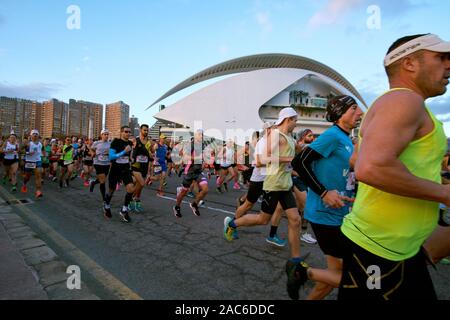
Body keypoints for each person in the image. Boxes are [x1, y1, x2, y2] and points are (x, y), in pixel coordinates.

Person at [338, 33, 450, 300]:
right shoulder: (404, 101)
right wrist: (444, 194)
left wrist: (440, 182)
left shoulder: (395, 103)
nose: (449, 65)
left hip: (394, 247)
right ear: (410, 63)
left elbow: (358, 160)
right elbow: (371, 168)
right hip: (381, 249)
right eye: (441, 57)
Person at [223, 107, 308, 300]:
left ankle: (295, 261)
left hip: (285, 185)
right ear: (288, 119)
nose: (297, 123)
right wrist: (288, 159)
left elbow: (296, 154)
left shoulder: (290, 138)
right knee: (263, 219)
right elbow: (261, 159)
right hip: (272, 184)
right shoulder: (276, 135)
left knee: (294, 219)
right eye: (295, 120)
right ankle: (232, 223)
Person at [291, 95, 363, 300]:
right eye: (353, 109)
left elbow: (344, 173)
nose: (359, 113)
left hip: (341, 214)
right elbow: (300, 162)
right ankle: (300, 272)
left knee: (334, 275)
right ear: (340, 114)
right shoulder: (332, 135)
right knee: (353, 276)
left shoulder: (346, 139)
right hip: (325, 215)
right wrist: (323, 192)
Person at [172, 130, 209, 218]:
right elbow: (185, 156)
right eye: (199, 135)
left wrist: (204, 162)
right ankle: (177, 206)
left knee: (205, 189)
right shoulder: (190, 145)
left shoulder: (201, 145)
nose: (201, 136)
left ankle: (194, 204)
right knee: (184, 192)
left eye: (202, 135)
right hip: (189, 171)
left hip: (198, 171)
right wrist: (197, 158)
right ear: (195, 136)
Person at [104, 126, 135, 222]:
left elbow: (129, 156)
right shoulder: (115, 142)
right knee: (111, 190)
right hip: (115, 169)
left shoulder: (130, 143)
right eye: (126, 131)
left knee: (131, 188)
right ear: (121, 132)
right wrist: (124, 152)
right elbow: (111, 157)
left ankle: (124, 209)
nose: (128, 133)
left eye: (129, 132)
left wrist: (131, 158)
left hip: (125, 169)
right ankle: (107, 205)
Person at [130, 124, 152, 211]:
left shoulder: (149, 142)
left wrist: (152, 153)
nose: (146, 132)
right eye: (144, 130)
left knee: (140, 186)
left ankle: (136, 201)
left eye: (147, 130)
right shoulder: (135, 140)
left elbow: (150, 156)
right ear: (140, 130)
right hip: (136, 165)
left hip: (144, 166)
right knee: (142, 183)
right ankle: (130, 198)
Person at [90, 129, 112, 218]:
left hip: (106, 163)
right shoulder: (97, 143)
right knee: (103, 181)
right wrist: (92, 153)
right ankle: (104, 199)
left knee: (102, 180)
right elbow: (91, 149)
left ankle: (93, 182)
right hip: (98, 163)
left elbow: (112, 152)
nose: (106, 136)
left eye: (107, 134)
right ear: (101, 135)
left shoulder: (110, 143)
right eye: (105, 134)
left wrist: (109, 154)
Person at [22, 130, 43, 198]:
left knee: (38, 175)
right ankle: (25, 183)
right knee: (27, 177)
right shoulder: (28, 143)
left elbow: (42, 150)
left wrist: (44, 154)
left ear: (38, 136)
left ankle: (38, 191)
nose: (35, 135)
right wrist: (28, 153)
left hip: (37, 161)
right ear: (31, 136)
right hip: (29, 162)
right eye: (33, 134)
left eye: (36, 134)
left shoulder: (40, 143)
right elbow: (19, 150)